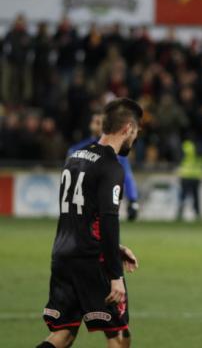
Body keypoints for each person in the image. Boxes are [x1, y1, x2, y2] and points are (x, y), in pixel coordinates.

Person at [38, 98, 142, 348]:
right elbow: (108, 220)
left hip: (63, 255)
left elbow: (79, 218)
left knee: (63, 334)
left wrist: (115, 248)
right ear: (127, 128)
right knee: (118, 334)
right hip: (93, 260)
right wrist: (115, 274)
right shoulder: (111, 166)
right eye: (136, 132)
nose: (135, 138)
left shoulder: (74, 159)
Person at [68, 111, 140, 221]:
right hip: (82, 201)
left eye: (98, 122)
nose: (95, 124)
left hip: (105, 203)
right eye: (94, 121)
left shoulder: (116, 151)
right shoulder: (76, 149)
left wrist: (132, 200)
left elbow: (126, 176)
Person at [177, 138, 202, 220]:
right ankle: (197, 213)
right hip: (196, 175)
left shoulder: (186, 145)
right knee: (196, 196)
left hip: (186, 174)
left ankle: (180, 213)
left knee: (183, 195)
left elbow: (179, 158)